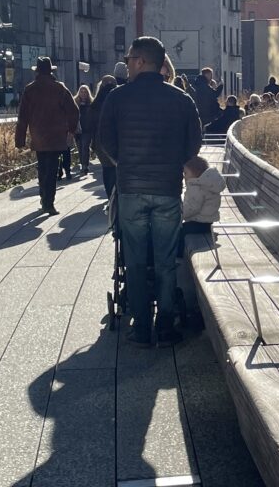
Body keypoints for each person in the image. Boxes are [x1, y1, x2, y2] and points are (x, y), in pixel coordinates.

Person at [98, 37, 202, 347]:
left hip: (131, 190)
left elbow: (105, 140)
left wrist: (125, 164)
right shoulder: (182, 99)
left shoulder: (118, 98)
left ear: (141, 61)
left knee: (136, 261)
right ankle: (166, 327)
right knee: (166, 262)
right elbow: (193, 144)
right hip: (167, 190)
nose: (127, 63)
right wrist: (173, 165)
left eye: (129, 58)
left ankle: (141, 329)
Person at [15, 57, 79, 216]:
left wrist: (20, 140)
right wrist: (71, 130)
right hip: (57, 135)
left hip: (38, 135)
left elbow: (22, 116)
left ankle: (44, 197)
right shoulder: (59, 88)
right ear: (51, 71)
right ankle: (48, 202)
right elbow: (74, 111)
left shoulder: (30, 89)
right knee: (52, 169)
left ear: (37, 71)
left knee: (42, 166)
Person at [178, 155, 226, 256]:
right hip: (207, 223)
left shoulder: (197, 187)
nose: (184, 176)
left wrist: (178, 215)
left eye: (186, 173)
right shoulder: (207, 184)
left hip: (198, 223)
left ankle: (179, 255)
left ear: (195, 173)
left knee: (178, 232)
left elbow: (192, 208)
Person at [87, 75, 118, 203]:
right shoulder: (118, 99)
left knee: (107, 169)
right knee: (117, 169)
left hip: (101, 142)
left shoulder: (95, 104)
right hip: (118, 140)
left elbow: (90, 125)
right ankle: (117, 195)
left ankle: (110, 194)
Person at [74, 84, 93, 175]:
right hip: (78, 129)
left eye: (85, 91)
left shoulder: (91, 102)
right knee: (80, 148)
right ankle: (82, 163)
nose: (83, 93)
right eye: (81, 91)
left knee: (85, 147)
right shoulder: (75, 102)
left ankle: (85, 166)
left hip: (87, 129)